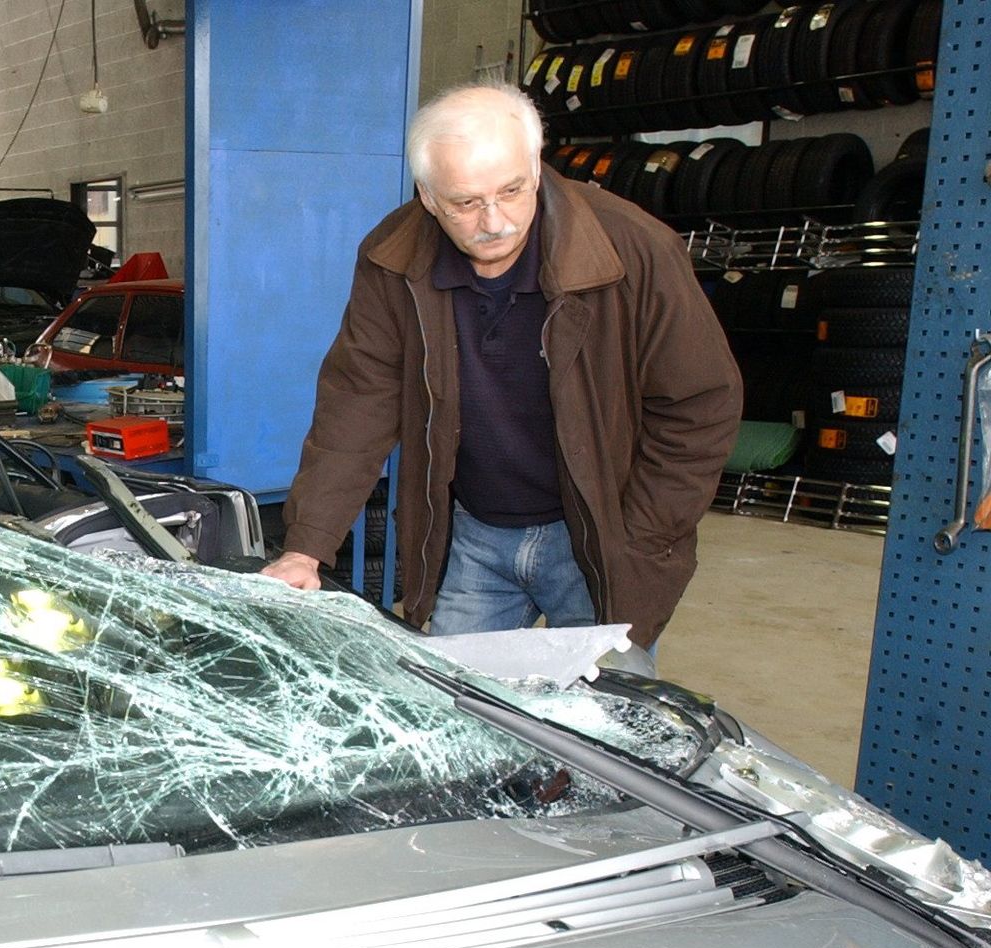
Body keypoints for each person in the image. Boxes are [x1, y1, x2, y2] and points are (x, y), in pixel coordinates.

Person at [262, 82, 740, 649]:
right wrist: (306, 547)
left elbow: (700, 405)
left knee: (601, 704)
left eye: (512, 191)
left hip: (599, 541)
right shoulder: (393, 258)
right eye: (466, 204)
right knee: (449, 698)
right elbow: (358, 402)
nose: (495, 222)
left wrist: (639, 537)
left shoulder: (633, 250)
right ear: (428, 197)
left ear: (535, 169)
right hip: (476, 537)